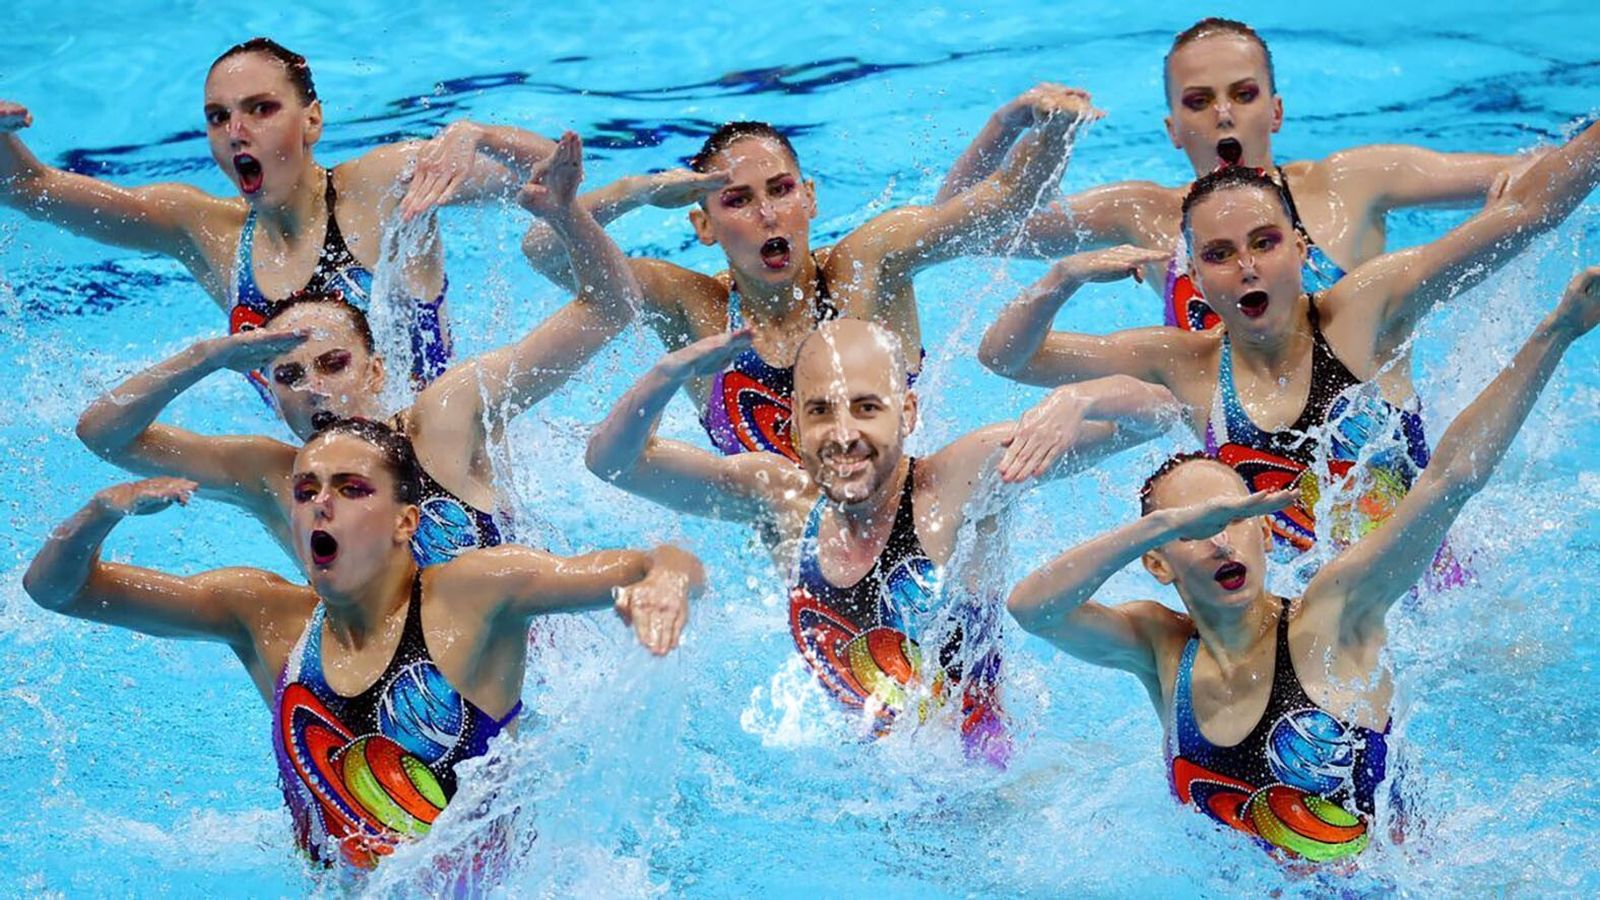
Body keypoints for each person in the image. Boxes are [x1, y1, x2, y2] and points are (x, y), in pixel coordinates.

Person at [1005, 264, 1600, 862]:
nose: (1219, 541)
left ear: (1266, 530)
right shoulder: (1161, 649)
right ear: (1158, 564)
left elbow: (1450, 480)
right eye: (1197, 530)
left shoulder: (1333, 615)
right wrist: (1158, 526)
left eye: (1233, 519)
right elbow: (1032, 609)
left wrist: (1559, 330)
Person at [23, 417, 705, 871]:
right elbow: (57, 591)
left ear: (407, 519)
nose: (323, 504)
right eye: (306, 490)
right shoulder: (266, 619)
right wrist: (101, 512)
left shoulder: (470, 595)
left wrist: (665, 586)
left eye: (352, 489)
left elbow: (658, 560)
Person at [978, 115, 1600, 566]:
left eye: (1264, 242)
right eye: (1219, 255)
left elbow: (1528, 211)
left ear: (1300, 249)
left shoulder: (1363, 311)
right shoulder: (1185, 363)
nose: (1246, 265)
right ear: (1192, 279)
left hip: (1433, 601)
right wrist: (1063, 278)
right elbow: (1005, 356)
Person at [586, 318, 1177, 759]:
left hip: (984, 785)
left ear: (908, 412)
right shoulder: (780, 501)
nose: (843, 435)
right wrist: (668, 376)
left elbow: (1162, 413)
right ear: (793, 424)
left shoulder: (962, 483)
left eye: (867, 408)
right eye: (820, 411)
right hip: (856, 782)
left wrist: (1081, 397)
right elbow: (612, 464)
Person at [75, 133, 638, 567]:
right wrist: (202, 359)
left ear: (376, 373)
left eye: (333, 363)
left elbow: (611, 307)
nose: (312, 386)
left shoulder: (446, 416)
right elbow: (102, 434)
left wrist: (564, 215)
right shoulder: (273, 474)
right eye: (288, 375)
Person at [524, 86, 1097, 463]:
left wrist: (1048, 125)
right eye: (738, 200)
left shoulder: (869, 266)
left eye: (781, 190)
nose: (769, 213)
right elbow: (544, 248)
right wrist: (638, 191)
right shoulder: (689, 307)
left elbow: (1003, 201)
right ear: (703, 225)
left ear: (811, 197)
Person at [0, 37, 555, 390]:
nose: (236, 132)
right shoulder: (204, 231)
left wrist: (474, 134)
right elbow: (29, 188)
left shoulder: (384, 185)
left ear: (312, 121)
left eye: (261, 109)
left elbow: (550, 174)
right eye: (218, 118)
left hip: (439, 470)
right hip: (323, 502)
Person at [941, 18, 1536, 332]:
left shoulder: (1349, 183)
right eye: (1199, 102)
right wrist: (1008, 124)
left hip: (1375, 491)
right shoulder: (1144, 215)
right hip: (1233, 526)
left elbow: (1539, 174)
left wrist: (1519, 187)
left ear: (1275, 111)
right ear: (1173, 129)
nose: (1224, 112)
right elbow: (958, 232)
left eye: (1243, 94)